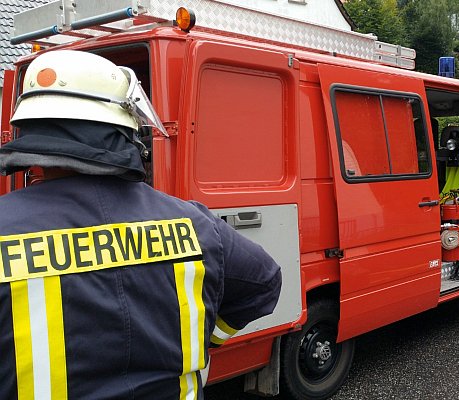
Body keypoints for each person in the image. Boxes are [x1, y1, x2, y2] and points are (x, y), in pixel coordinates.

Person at [0, 50, 282, 399]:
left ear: (28, 132)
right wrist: (207, 338)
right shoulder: (195, 223)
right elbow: (265, 282)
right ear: (124, 131)